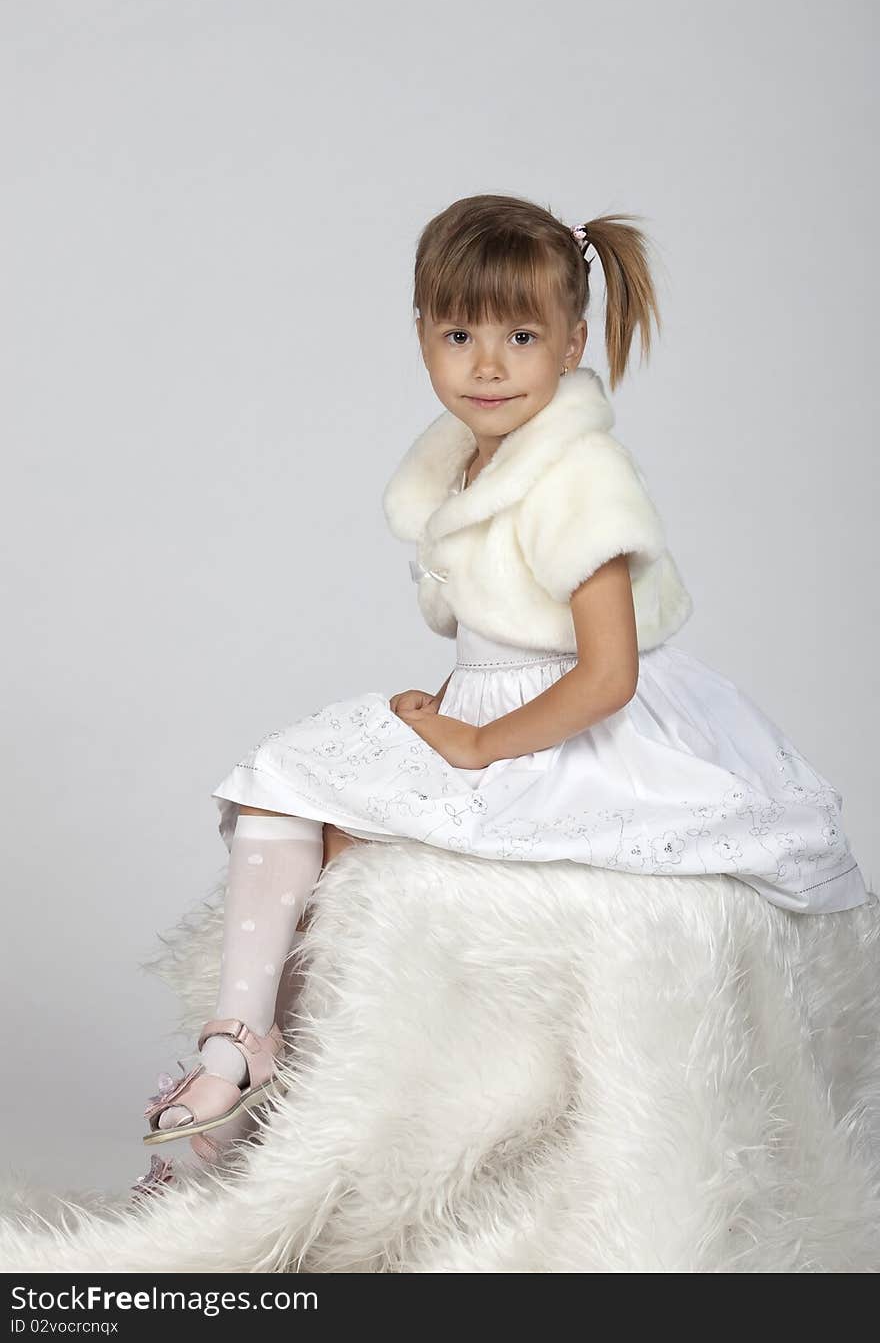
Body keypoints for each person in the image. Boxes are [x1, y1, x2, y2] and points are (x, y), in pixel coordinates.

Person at [142, 193, 869, 1167]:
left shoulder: (577, 475)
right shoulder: (468, 463)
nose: (487, 364)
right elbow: (489, 624)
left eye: (520, 335)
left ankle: (262, 1110)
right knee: (288, 787)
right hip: (489, 699)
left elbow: (604, 674)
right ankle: (240, 1053)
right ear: (421, 338)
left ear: (571, 343)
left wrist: (477, 741)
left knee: (353, 830)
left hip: (580, 725)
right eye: (459, 333)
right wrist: (451, 708)